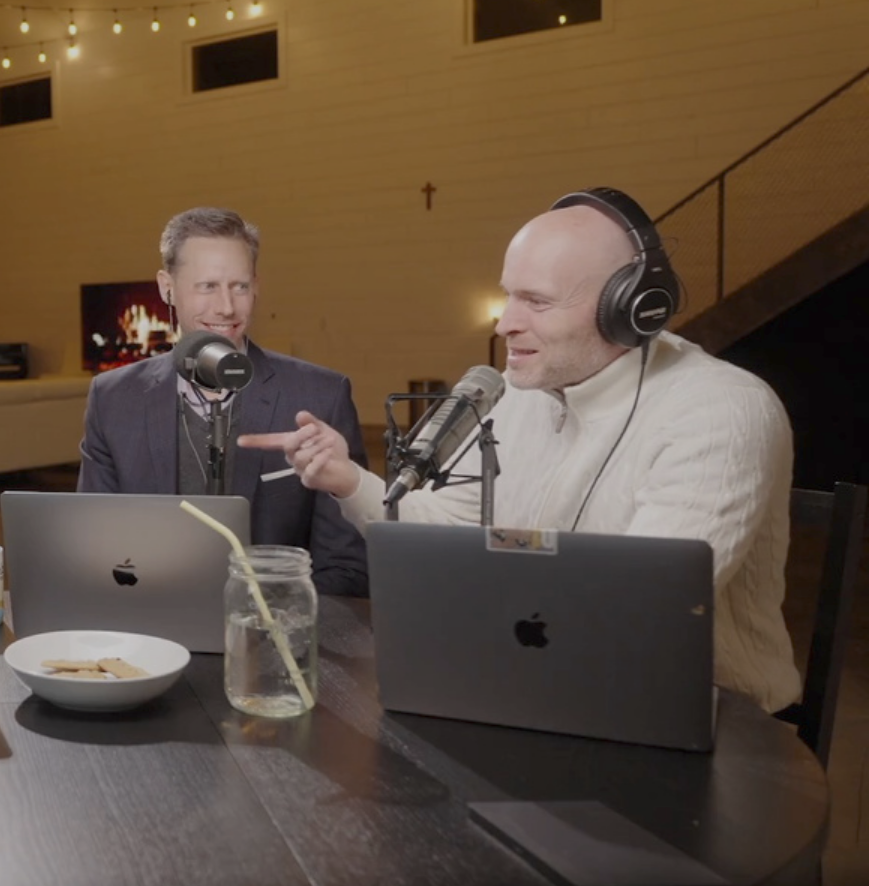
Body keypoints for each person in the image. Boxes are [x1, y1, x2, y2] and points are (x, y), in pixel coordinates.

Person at [245, 187, 801, 712]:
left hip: (710, 717)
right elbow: (451, 527)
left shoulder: (722, 410)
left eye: (536, 301)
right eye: (510, 294)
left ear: (630, 307)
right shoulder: (521, 394)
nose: (506, 323)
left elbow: (641, 613)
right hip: (534, 682)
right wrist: (347, 479)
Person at [78, 207, 370, 596]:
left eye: (240, 287)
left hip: (270, 623)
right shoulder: (113, 398)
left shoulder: (321, 396)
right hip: (149, 620)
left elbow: (348, 568)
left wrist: (257, 619)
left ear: (256, 286)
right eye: (207, 286)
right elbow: (96, 546)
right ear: (167, 287)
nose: (227, 307)